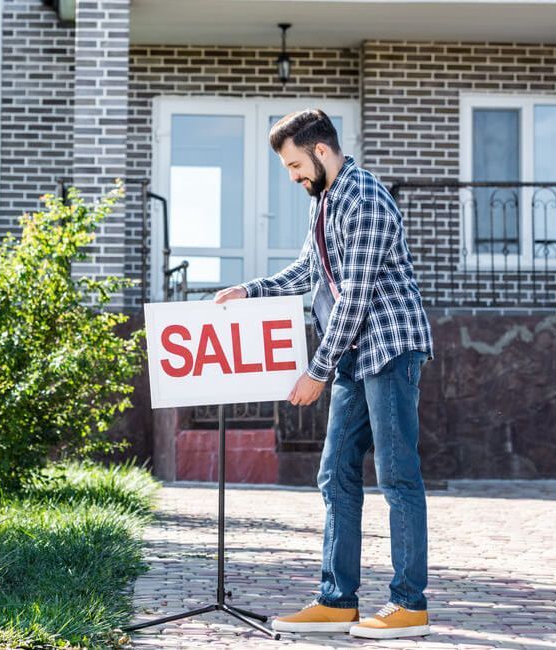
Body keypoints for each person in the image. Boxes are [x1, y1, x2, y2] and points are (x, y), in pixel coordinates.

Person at [214, 108, 434, 640]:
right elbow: (308, 271)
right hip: (356, 354)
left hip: (389, 347)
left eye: (293, 165)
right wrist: (251, 290)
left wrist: (317, 371)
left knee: (398, 475)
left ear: (319, 150)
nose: (292, 177)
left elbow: (355, 299)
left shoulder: (363, 199)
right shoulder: (327, 201)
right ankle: (338, 600)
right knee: (335, 474)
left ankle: (409, 605)